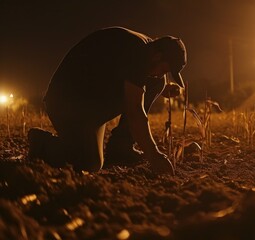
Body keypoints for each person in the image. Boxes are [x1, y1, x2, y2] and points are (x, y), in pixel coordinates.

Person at [27, 26, 187, 175]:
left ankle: (121, 147)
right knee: (89, 164)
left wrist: (162, 90)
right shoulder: (138, 54)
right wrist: (154, 156)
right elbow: (135, 110)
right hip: (67, 103)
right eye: (164, 69)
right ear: (158, 56)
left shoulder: (145, 49)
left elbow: (120, 75)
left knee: (157, 83)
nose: (161, 74)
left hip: (93, 102)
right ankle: (43, 143)